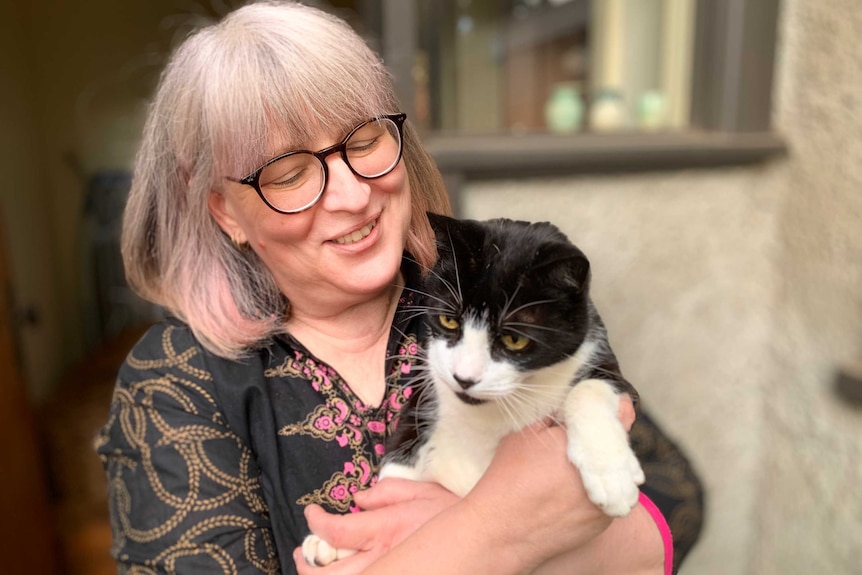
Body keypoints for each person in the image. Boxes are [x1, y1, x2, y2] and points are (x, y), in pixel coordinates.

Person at [96, 2, 703, 574]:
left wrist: (480, 536)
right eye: (288, 173)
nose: (354, 195)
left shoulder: (476, 290)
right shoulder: (176, 383)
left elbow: (675, 499)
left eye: (364, 142)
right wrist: (492, 532)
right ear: (226, 212)